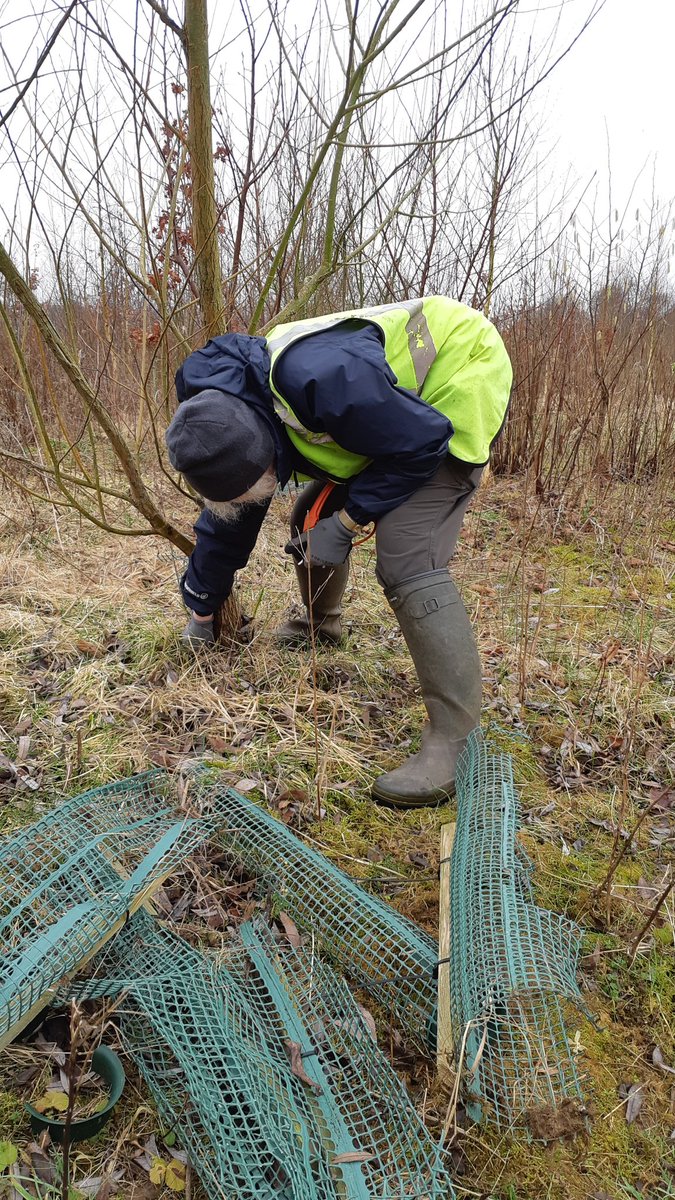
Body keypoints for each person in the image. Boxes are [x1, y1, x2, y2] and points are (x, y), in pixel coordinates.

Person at [165, 297, 512, 809]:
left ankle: (455, 743)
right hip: (388, 417)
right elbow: (229, 521)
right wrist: (201, 598)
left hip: (457, 375)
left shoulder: (324, 381)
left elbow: (424, 442)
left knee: (404, 553)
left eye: (250, 490)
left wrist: (348, 524)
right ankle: (319, 628)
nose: (247, 501)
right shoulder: (221, 417)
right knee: (309, 517)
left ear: (263, 459)